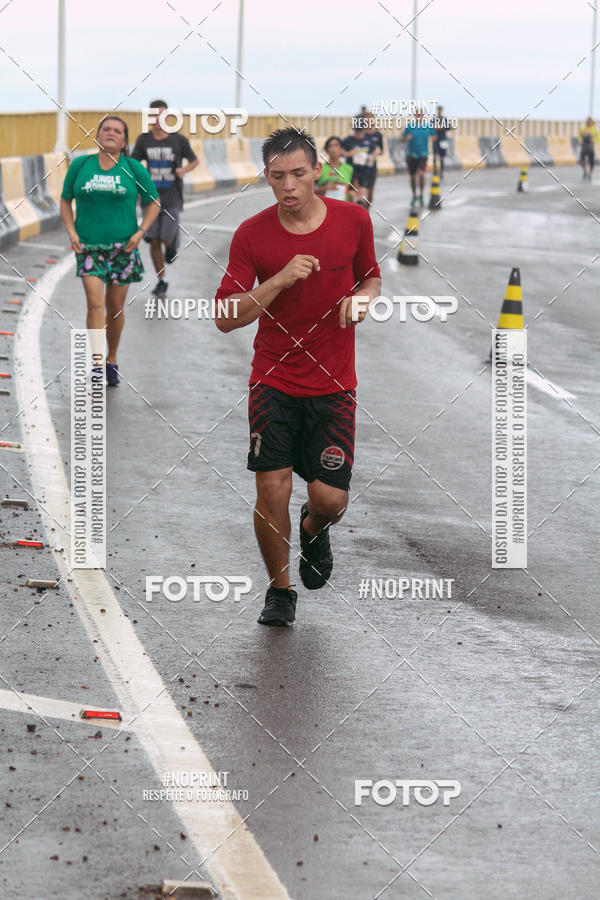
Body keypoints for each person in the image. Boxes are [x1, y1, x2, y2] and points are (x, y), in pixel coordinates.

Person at [214, 127, 381, 627]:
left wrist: (364, 301)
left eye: (298, 174)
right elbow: (225, 316)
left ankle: (313, 529)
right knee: (272, 489)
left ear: (318, 173)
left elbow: (371, 275)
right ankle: (280, 590)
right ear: (266, 176)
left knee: (328, 499)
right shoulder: (252, 234)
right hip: (273, 379)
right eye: (278, 175)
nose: (288, 185)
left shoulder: (353, 220)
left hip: (334, 383)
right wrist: (281, 278)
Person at [60, 116, 160, 385]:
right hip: (88, 247)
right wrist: (71, 231)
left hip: (123, 249)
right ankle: (96, 363)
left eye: (118, 131)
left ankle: (111, 357)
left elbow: (154, 202)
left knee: (114, 307)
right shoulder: (81, 165)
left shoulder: (133, 168)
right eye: (106, 129)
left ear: (125, 141)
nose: (111, 133)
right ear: (97, 135)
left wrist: (141, 232)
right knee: (94, 303)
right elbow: (65, 201)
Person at [132, 100, 199, 297]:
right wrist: (140, 172)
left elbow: (194, 160)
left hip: (172, 198)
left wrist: (183, 170)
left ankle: (172, 245)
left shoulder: (178, 140)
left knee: (165, 238)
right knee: (153, 240)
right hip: (150, 198)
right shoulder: (144, 140)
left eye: (160, 115)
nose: (157, 120)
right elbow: (134, 162)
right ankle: (162, 280)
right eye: (153, 116)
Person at [400, 108, 435, 206]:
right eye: (417, 115)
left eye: (420, 115)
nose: (419, 116)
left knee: (421, 174)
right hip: (411, 155)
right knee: (412, 177)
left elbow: (434, 135)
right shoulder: (409, 127)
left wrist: (435, 138)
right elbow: (402, 138)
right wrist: (406, 138)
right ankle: (414, 195)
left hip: (423, 155)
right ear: (415, 116)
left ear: (423, 116)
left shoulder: (427, 126)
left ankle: (422, 194)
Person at [343, 124, 372, 206]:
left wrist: (372, 156)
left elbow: (377, 149)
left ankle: (360, 205)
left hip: (364, 170)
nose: (358, 133)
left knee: (363, 192)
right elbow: (340, 151)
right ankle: (353, 205)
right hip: (351, 170)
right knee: (351, 192)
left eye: (360, 131)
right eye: (356, 131)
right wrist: (348, 154)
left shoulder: (368, 140)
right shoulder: (348, 140)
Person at [363, 116, 384, 205]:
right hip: (360, 167)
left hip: (372, 167)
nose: (369, 121)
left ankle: (367, 212)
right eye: (367, 119)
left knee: (370, 191)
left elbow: (382, 150)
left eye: (371, 119)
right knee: (360, 190)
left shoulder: (378, 134)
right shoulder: (361, 133)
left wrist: (376, 153)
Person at [432, 105, 452, 179]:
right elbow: (431, 128)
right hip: (436, 140)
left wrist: (443, 127)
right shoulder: (434, 120)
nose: (439, 111)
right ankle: (435, 171)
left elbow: (449, 127)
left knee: (442, 157)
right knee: (435, 156)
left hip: (443, 140)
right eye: (438, 110)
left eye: (440, 110)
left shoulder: (445, 120)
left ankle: (441, 171)